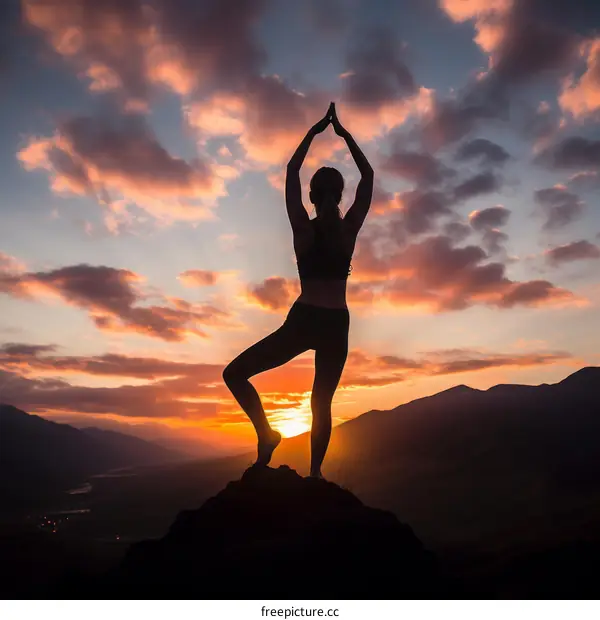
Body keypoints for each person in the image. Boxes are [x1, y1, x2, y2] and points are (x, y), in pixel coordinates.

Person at [222, 102, 374, 478]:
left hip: (304, 319)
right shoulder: (348, 230)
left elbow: (291, 169)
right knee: (321, 404)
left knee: (235, 374)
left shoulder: (303, 230)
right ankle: (316, 475)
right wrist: (344, 134)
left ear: (311, 196)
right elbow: (368, 175)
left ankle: (267, 435)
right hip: (336, 322)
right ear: (339, 196)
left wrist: (315, 132)